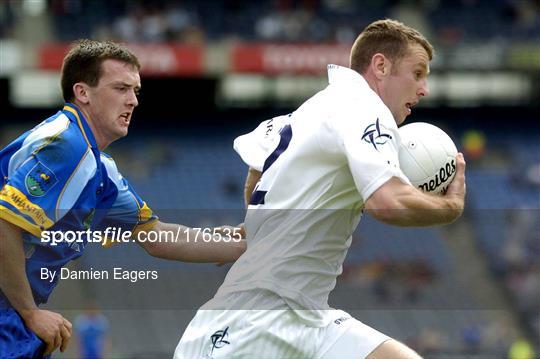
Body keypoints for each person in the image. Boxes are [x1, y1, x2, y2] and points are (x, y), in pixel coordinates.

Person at [174, 19, 466, 359]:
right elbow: (387, 203)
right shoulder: (365, 107)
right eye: (417, 73)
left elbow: (257, 163)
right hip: (256, 319)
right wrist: (451, 207)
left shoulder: (310, 110)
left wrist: (260, 228)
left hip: (309, 315)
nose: (424, 89)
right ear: (381, 65)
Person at [0, 40, 245, 358]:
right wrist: (30, 313)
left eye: (135, 91)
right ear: (83, 93)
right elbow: (4, 224)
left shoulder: (102, 172)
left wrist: (242, 245)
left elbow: (157, 237)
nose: (132, 101)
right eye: (120, 88)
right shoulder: (66, 144)